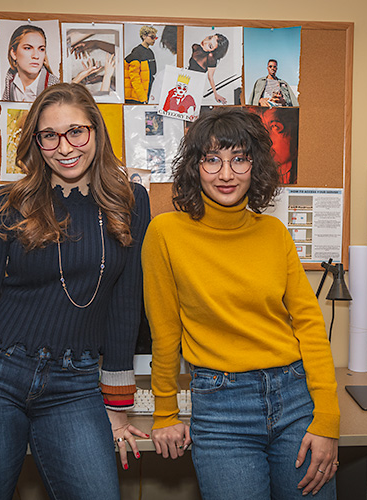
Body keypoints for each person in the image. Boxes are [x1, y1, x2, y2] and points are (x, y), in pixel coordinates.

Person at [0, 83, 151, 499]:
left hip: (76, 383)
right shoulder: (5, 203)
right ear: (36, 141)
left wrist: (117, 407)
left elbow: (125, 305)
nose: (64, 147)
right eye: (49, 135)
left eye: (76, 132)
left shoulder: (131, 201)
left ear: (97, 133)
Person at [141, 108, 339, 499]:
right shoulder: (165, 233)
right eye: (212, 160)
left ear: (256, 165)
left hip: (295, 397)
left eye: (239, 159)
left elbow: (310, 327)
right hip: (221, 409)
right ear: (195, 167)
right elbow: (165, 331)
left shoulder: (274, 233)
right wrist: (165, 411)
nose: (226, 174)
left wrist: (328, 420)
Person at [2, 25, 60, 102]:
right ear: (13, 53)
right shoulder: (10, 80)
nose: (36, 56)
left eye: (41, 49)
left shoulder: (55, 88)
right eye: (28, 48)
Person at [188, 33, 229, 104]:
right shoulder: (195, 47)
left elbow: (210, 77)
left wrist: (215, 94)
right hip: (186, 79)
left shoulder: (210, 58)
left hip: (195, 86)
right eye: (209, 38)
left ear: (212, 51)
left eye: (210, 46)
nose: (205, 42)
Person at [124, 26, 158, 104]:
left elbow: (152, 73)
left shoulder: (150, 52)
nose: (154, 40)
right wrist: (143, 98)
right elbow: (135, 78)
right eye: (152, 37)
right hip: (137, 98)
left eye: (155, 38)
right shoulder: (137, 52)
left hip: (147, 93)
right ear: (144, 36)